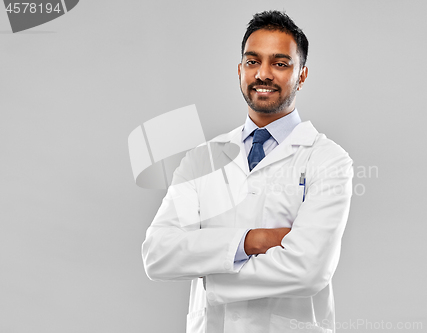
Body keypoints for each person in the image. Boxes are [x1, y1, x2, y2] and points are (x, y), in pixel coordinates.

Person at [142, 10, 353, 333]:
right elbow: (158, 253)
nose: (263, 74)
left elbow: (309, 269)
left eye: (280, 64)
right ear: (240, 70)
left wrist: (210, 270)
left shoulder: (328, 160)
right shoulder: (203, 159)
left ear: (302, 75)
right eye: (253, 62)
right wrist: (251, 241)